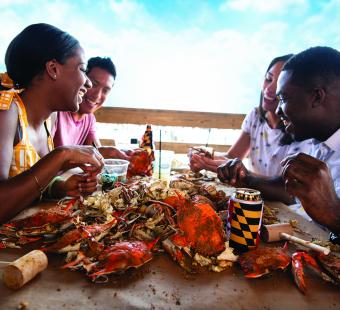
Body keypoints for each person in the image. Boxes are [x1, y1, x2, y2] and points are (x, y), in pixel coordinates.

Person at [218, 46, 340, 235]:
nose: (277, 110)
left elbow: (330, 215)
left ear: (316, 97)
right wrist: (246, 177)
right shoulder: (321, 143)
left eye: (283, 98)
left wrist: (333, 215)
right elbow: (291, 193)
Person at [0, 23, 104, 224]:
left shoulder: (50, 118)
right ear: (53, 69)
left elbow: (26, 181)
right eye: (82, 69)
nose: (88, 83)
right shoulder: (6, 111)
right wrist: (61, 155)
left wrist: (57, 187)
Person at [189, 55, 312, 177]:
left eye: (279, 84)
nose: (269, 89)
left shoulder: (301, 130)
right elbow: (232, 157)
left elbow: (287, 187)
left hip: (274, 197)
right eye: (268, 79)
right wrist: (205, 157)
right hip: (249, 194)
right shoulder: (255, 117)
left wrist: (245, 175)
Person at [52, 56, 129, 160]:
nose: (97, 95)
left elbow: (95, 151)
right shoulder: (57, 110)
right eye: (94, 84)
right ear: (81, 79)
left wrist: (122, 153)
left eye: (105, 90)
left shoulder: (89, 119)